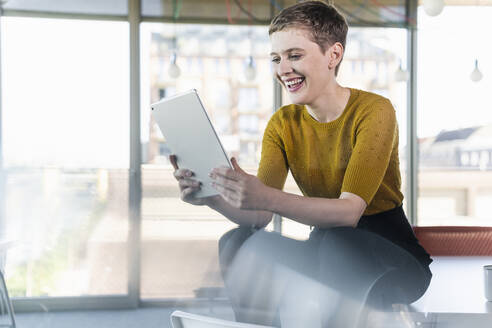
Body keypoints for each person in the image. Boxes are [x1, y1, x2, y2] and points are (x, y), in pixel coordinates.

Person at [170, 1, 432, 326]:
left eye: (295, 56)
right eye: (276, 59)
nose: (283, 69)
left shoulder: (375, 111)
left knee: (338, 240)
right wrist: (210, 197)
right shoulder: (283, 124)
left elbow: (349, 213)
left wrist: (267, 197)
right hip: (324, 250)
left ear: (333, 56)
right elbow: (259, 216)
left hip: (393, 257)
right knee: (237, 240)